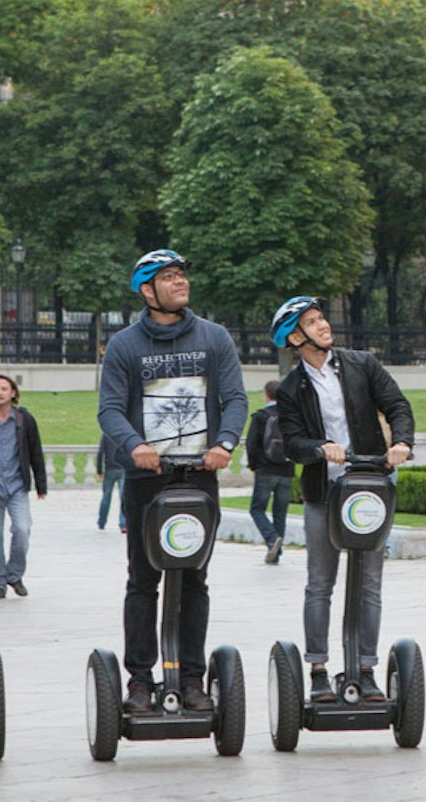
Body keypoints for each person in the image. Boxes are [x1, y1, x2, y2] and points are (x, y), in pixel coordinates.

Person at [97, 249, 247, 714]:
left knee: (194, 579)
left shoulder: (214, 338)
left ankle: (192, 676)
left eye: (182, 274)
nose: (180, 281)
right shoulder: (125, 346)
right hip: (148, 478)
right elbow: (110, 409)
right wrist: (135, 444)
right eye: (168, 276)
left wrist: (224, 442)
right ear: (147, 290)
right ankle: (140, 680)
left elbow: (236, 398)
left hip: (199, 476)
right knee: (143, 580)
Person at [272, 296, 413, 704]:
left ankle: (365, 669)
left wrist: (402, 441)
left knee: (370, 582)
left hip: (369, 487)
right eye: (312, 323)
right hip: (323, 493)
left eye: (321, 318)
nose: (323, 326)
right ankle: (317, 669)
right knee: (320, 583)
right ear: (295, 337)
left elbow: (397, 405)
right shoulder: (290, 389)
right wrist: (320, 447)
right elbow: (292, 442)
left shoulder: (361, 364)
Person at [0, 373, 47, 599]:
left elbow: (35, 451)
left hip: (17, 485)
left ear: (13, 393)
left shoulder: (24, 419)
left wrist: (41, 484)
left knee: (22, 529)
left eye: (3, 388)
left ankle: (15, 575)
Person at [244, 378, 292, 564]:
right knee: (280, 512)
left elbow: (252, 444)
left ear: (266, 395)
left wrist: (255, 465)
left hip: (266, 469)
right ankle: (276, 553)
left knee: (257, 509)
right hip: (286, 471)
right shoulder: (290, 416)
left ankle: (272, 539)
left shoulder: (261, 416)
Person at [95, 433, 126, 532]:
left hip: (109, 469)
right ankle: (123, 524)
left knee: (106, 496)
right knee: (123, 497)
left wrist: (99, 470)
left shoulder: (105, 435)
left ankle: (101, 522)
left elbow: (100, 453)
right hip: (122, 468)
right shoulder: (123, 434)